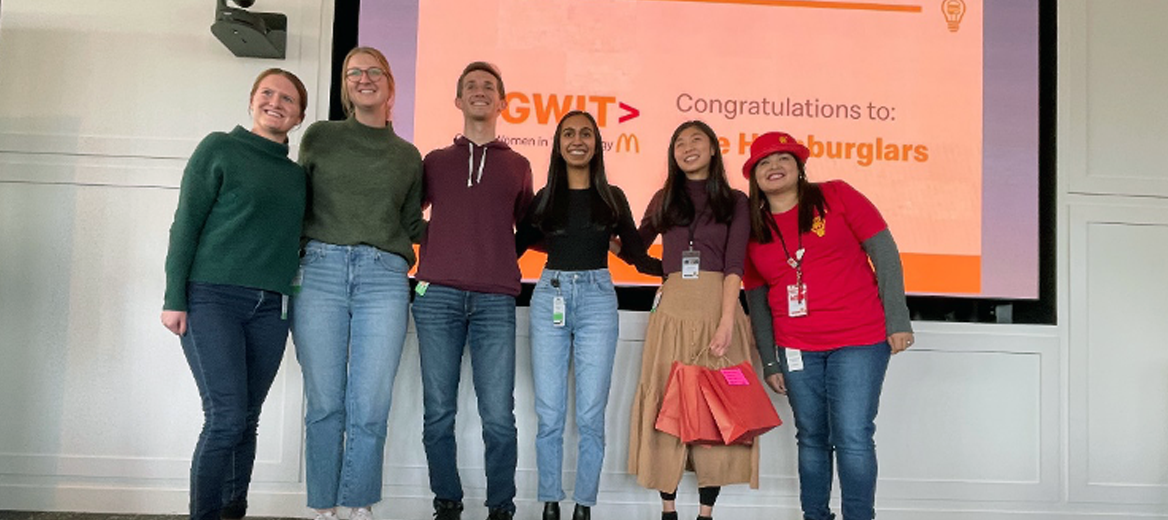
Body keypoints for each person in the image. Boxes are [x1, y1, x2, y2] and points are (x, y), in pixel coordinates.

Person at [741, 131, 914, 520]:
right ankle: (814, 516)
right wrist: (770, 361)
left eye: (783, 159)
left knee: (852, 436)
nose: (774, 167)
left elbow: (884, 253)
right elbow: (756, 300)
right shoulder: (753, 228)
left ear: (799, 168)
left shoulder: (837, 195)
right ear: (753, 177)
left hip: (861, 339)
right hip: (796, 347)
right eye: (764, 163)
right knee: (812, 438)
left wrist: (898, 319)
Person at [161, 68, 308, 520]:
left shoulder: (298, 176)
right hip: (212, 299)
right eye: (268, 93)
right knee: (224, 419)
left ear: (299, 116)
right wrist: (174, 296)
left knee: (246, 421)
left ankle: (232, 510)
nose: (276, 102)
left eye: (287, 99)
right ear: (251, 100)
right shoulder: (219, 148)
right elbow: (186, 223)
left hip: (271, 308)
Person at [290, 47, 424, 520]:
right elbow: (293, 204)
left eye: (373, 72)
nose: (363, 78)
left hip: (384, 278)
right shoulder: (320, 138)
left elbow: (412, 224)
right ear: (346, 87)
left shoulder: (409, 156)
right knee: (325, 402)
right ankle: (324, 507)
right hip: (319, 270)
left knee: (370, 404)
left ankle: (358, 504)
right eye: (354, 74)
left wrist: (479, 232)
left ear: (390, 84)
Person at [515, 111, 663, 520]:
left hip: (599, 300)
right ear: (558, 144)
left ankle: (584, 505)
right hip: (550, 298)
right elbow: (513, 247)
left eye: (585, 133)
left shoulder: (612, 196)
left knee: (591, 413)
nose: (576, 140)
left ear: (596, 143)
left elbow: (634, 255)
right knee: (548, 412)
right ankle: (550, 501)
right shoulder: (544, 197)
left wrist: (678, 270)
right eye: (568, 134)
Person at [413, 61, 533, 520]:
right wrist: (439, 243)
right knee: (438, 411)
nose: (480, 92)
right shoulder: (435, 161)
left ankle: (501, 506)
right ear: (458, 101)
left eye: (489, 86)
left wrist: (497, 255)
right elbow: (407, 215)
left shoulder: (519, 166)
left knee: (499, 416)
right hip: (436, 297)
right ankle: (447, 501)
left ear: (503, 102)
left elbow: (525, 228)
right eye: (471, 86)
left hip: (495, 301)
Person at [627, 120, 758, 520]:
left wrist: (724, 321)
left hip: (720, 307)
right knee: (667, 405)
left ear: (714, 149)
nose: (687, 147)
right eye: (679, 142)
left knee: (717, 409)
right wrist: (663, 271)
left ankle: (706, 512)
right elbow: (635, 248)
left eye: (696, 140)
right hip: (672, 312)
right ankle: (667, 510)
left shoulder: (735, 201)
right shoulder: (664, 198)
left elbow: (735, 264)